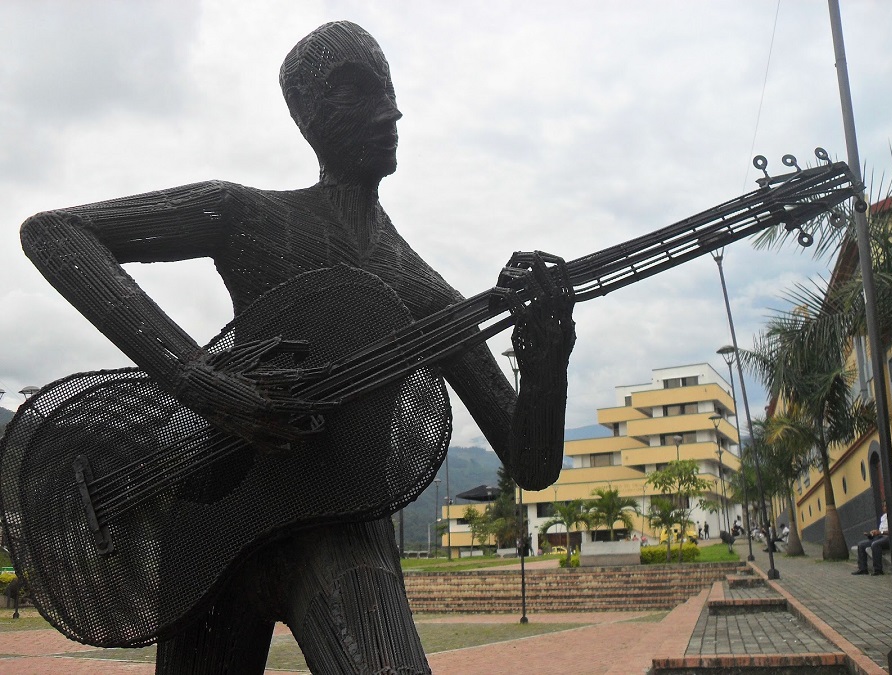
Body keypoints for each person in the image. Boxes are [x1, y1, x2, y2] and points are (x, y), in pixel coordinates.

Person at [19, 21, 575, 674]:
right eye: (357, 91)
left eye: (389, 90)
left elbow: (531, 464)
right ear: (306, 112)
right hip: (214, 527)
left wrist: (546, 361)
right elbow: (55, 234)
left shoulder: (429, 296)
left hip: (344, 535)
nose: (390, 111)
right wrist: (197, 381)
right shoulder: (247, 216)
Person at [853, 500, 890, 577]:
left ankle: (878, 570)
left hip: (889, 538)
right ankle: (863, 569)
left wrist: (880, 533)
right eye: (883, 506)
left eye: (886, 506)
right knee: (861, 544)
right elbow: (880, 531)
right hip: (879, 537)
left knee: (875, 544)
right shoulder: (883, 517)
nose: (884, 508)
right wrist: (871, 534)